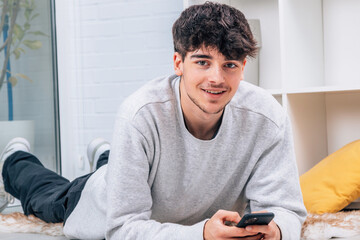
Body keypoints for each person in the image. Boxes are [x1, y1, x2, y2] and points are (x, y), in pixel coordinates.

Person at [0, 2, 307, 240]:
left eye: (229, 65)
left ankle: (108, 156)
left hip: (143, 181)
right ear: (178, 63)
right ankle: (14, 159)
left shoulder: (267, 117)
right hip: (99, 199)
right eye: (202, 62)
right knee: (47, 196)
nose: (217, 78)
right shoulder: (140, 114)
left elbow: (287, 208)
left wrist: (278, 230)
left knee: (117, 167)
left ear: (242, 68)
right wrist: (200, 234)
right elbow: (122, 229)